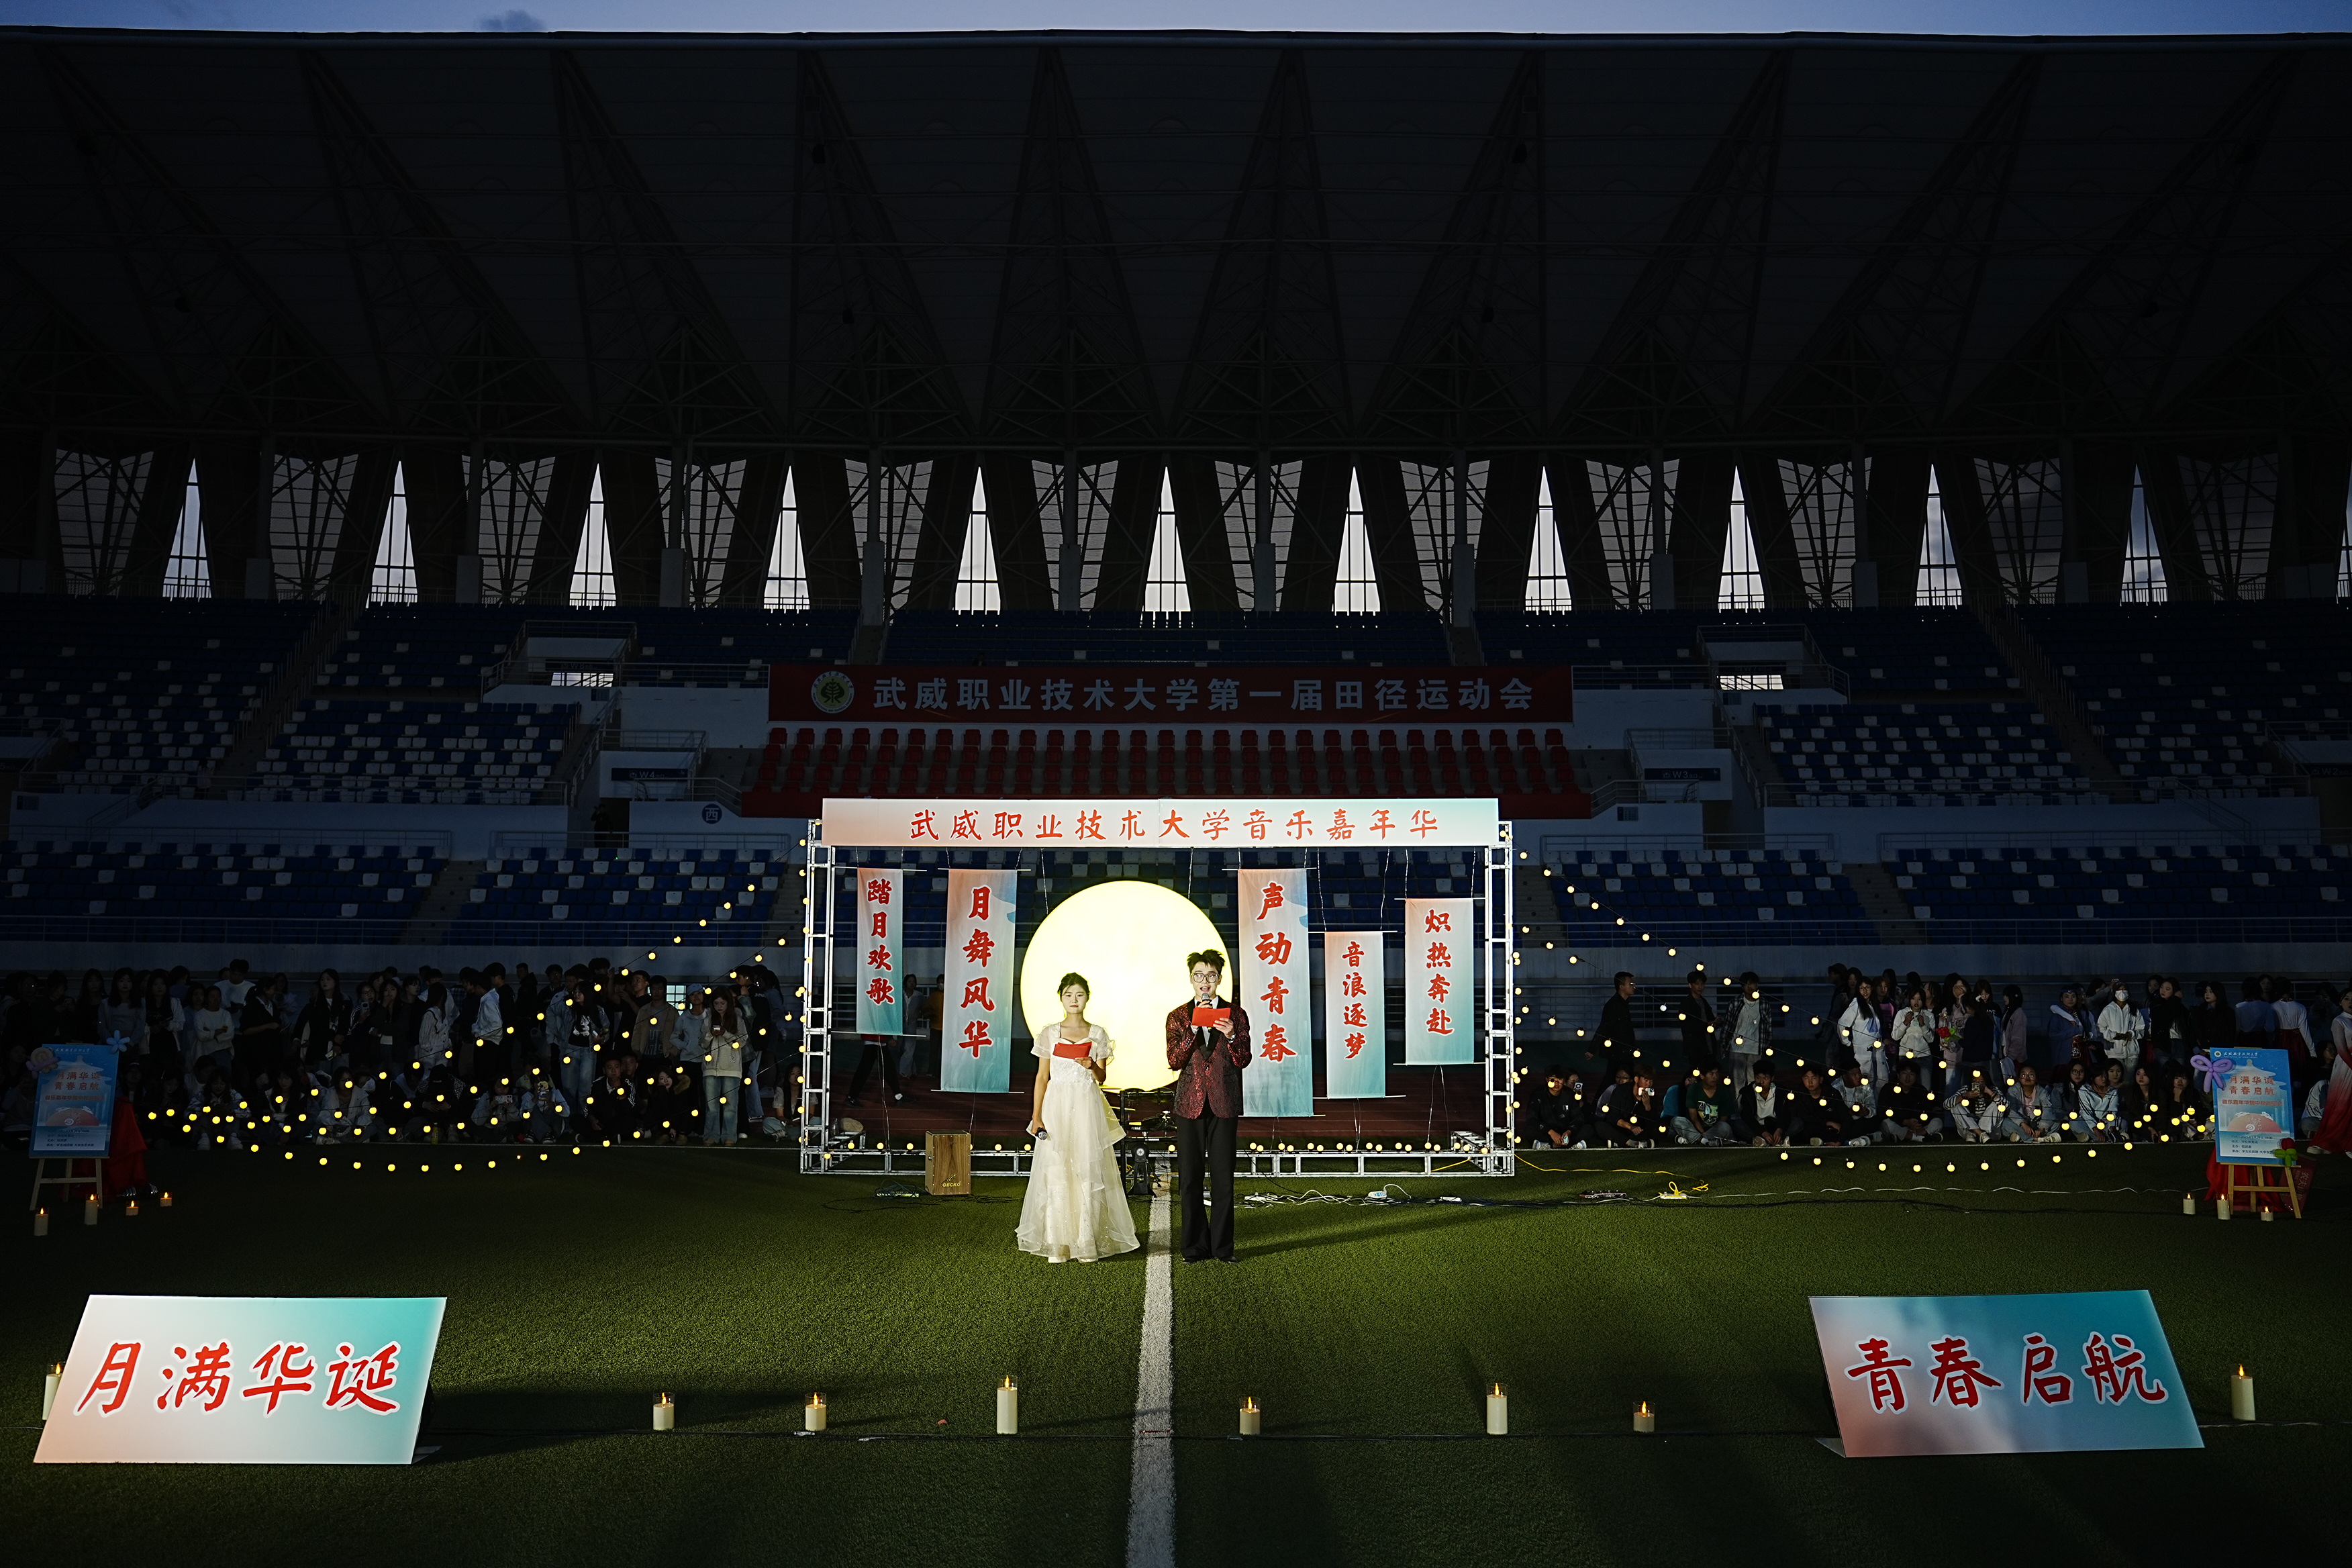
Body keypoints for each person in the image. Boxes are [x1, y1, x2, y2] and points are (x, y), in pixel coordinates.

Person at [1017, 973, 1140, 1263]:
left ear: (1087, 998)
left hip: (1086, 1105)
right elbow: (1042, 1077)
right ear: (1061, 998)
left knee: (1086, 1169)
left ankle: (1086, 1241)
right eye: (1069, 995)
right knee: (1057, 1167)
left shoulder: (1097, 1033)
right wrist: (1036, 1116)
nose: (1074, 1000)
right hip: (1056, 1104)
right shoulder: (1049, 1033)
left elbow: (1102, 1077)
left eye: (1080, 995)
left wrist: (1090, 1065)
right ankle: (1057, 1243)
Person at [1165, 949, 1252, 1264]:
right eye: (1199, 976)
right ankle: (1194, 1247)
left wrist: (1232, 1036)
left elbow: (1243, 1060)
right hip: (1189, 1104)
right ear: (1191, 979)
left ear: (1220, 979)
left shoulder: (1236, 1015)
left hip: (1224, 1103)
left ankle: (1223, 1248)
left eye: (1211, 976)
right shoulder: (1178, 1016)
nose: (1205, 982)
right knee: (1189, 1179)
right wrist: (1192, 1030)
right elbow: (1174, 1060)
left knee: (1223, 1179)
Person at [699, 990, 746, 1146]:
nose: (719, 1006)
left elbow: (741, 1042)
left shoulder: (738, 1020)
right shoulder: (707, 1021)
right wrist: (710, 1035)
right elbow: (702, 1043)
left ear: (729, 1004)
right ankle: (711, 1135)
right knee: (711, 1106)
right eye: (716, 1003)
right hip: (710, 1068)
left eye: (723, 1003)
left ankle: (729, 1135)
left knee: (730, 1106)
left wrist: (726, 1034)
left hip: (731, 1068)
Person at [2314, 989, 2352, 1155]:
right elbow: (2341, 1049)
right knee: (2341, 1104)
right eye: (2347, 999)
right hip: (2346, 1067)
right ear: (2340, 1002)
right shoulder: (2339, 1021)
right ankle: (2331, 1142)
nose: (2350, 1002)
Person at [1665, 1065, 1738, 1146]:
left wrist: (1707, 1134)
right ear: (1702, 1076)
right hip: (1696, 1129)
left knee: (1725, 1127)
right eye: (1711, 1074)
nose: (1715, 1077)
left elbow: (1724, 1118)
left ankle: (1697, 1140)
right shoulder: (1693, 1089)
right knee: (1676, 1121)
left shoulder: (1724, 1091)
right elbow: (1693, 1117)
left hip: (1715, 1129)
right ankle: (1705, 1141)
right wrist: (1702, 1133)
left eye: (1717, 1074)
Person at [1878, 1061, 1939, 1142]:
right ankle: (1921, 1138)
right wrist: (1904, 1122)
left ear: (1916, 1076)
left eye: (1911, 1074)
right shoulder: (1888, 1089)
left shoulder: (1921, 1090)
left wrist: (1917, 1123)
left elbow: (1928, 1110)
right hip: (1898, 1125)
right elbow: (1882, 1112)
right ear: (1898, 1075)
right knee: (1886, 1124)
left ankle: (1918, 1134)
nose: (1908, 1077)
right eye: (1904, 1073)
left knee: (1937, 1121)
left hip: (1917, 1126)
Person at [1726, 973, 1767, 1091]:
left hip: (1755, 1046)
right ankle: (1739, 1102)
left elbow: (1767, 1026)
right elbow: (1729, 1024)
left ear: (1757, 985)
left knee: (1753, 1078)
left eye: (1751, 984)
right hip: (1737, 1047)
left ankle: (1752, 1101)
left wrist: (1767, 1044)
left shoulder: (1763, 1003)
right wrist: (1725, 1043)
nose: (1749, 987)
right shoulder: (1735, 1002)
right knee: (1737, 1079)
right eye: (1746, 984)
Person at [2096, 983, 2145, 1079]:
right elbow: (2100, 1029)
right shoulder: (2108, 1010)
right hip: (2114, 1053)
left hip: (2132, 1053)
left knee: (2130, 1080)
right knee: (2116, 1079)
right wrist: (2114, 1035)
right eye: (2119, 990)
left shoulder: (2134, 1010)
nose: (2122, 992)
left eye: (2124, 989)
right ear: (2114, 993)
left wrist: (2131, 1034)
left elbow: (2141, 1028)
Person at [1527, 1069, 1585, 1148]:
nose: (1556, 1083)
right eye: (1553, 1080)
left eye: (1560, 1079)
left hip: (1565, 1130)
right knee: (1529, 1131)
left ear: (1564, 1080)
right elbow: (1531, 1117)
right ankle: (1555, 1144)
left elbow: (1578, 1117)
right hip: (1547, 1131)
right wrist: (1550, 1132)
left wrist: (1569, 1132)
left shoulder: (1570, 1094)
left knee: (1587, 1129)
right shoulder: (1538, 1093)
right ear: (1547, 1080)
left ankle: (1551, 1145)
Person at [1677, 971, 1718, 1073]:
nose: (1700, 987)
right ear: (1690, 985)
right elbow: (1690, 1026)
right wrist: (1709, 1023)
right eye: (1697, 984)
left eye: (1702, 984)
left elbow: (1710, 1021)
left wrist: (1716, 1022)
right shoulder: (1686, 1003)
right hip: (1695, 1047)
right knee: (1697, 1073)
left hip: (1708, 1045)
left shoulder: (1703, 1001)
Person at [1597, 972, 1638, 1074]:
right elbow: (1604, 1027)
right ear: (1622, 987)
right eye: (1631, 984)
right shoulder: (1614, 1005)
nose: (1634, 987)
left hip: (1623, 1049)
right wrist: (1592, 1050)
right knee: (1615, 1075)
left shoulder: (1623, 1003)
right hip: (1617, 1050)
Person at [1738, 1061, 1786, 1146]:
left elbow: (1785, 1115)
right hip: (1757, 1127)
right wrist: (1763, 1132)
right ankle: (1759, 1139)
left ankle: (1778, 1138)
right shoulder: (1748, 1092)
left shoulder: (1781, 1091)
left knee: (1797, 1123)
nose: (1761, 1082)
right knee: (1738, 1124)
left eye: (1765, 1078)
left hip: (1774, 1126)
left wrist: (1779, 1129)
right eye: (1758, 1078)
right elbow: (1747, 1116)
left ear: (1772, 1078)